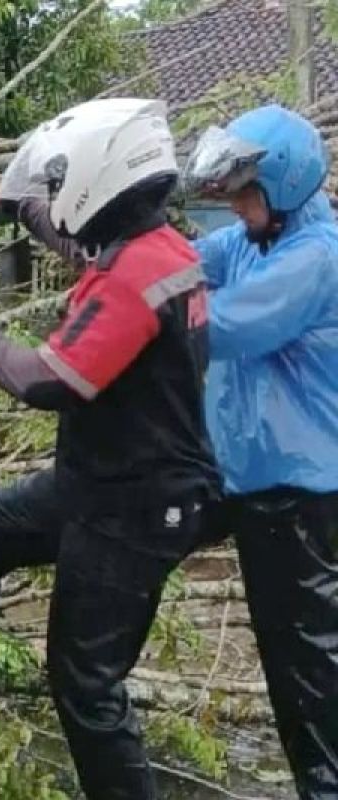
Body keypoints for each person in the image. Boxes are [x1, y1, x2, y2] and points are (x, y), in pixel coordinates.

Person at [0, 98, 220, 800]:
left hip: (137, 510)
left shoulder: (135, 279)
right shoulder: (159, 246)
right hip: (104, 483)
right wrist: (13, 206)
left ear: (100, 180)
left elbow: (49, 380)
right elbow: (79, 243)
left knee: (86, 683)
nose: (59, 201)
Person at [182, 104, 338, 797]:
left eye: (245, 192)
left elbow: (222, 326)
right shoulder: (251, 240)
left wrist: (127, 315)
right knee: (292, 661)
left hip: (302, 489)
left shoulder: (315, 256)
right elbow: (182, 261)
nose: (235, 205)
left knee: (308, 668)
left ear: (284, 186)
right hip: (247, 476)